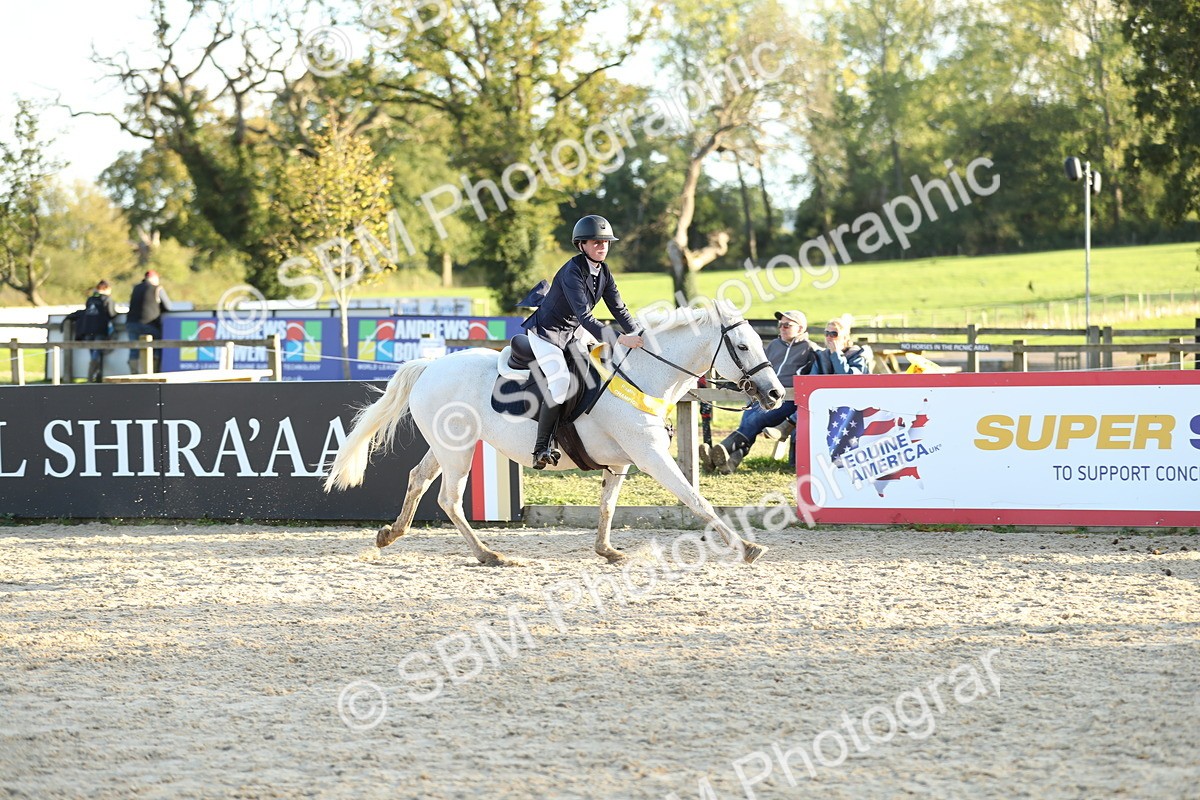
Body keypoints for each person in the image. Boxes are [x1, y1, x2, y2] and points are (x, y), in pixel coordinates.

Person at [520, 215, 644, 469]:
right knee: (561, 382)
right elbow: (586, 318)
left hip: (573, 331)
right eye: (596, 242)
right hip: (548, 333)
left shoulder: (604, 271)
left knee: (604, 364)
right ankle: (541, 447)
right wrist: (620, 338)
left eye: (606, 242)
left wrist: (640, 336)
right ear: (581, 245)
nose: (602, 246)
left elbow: (619, 309)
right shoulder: (572, 271)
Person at [704, 309, 816, 474]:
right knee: (749, 422)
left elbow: (814, 378)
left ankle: (719, 453)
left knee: (753, 422)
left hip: (788, 401)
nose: (782, 328)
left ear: (800, 329)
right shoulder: (773, 345)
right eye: (780, 324)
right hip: (762, 395)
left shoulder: (810, 349)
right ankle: (730, 463)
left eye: (787, 325)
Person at [762, 316, 873, 442]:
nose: (829, 337)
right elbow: (812, 382)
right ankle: (793, 451)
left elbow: (849, 379)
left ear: (845, 337)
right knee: (798, 432)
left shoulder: (857, 355)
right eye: (827, 333)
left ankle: (788, 424)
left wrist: (837, 355)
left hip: (852, 402)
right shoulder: (821, 356)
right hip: (825, 404)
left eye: (834, 334)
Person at [126, 270, 171, 373]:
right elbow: (168, 306)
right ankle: (152, 375)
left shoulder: (135, 288)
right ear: (155, 278)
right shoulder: (157, 288)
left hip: (132, 323)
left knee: (134, 350)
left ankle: (134, 375)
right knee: (154, 348)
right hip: (150, 323)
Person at [78, 280, 118, 382]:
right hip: (100, 330)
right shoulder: (107, 299)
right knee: (96, 354)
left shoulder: (90, 299)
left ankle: (95, 376)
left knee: (93, 353)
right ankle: (91, 377)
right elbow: (111, 314)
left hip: (87, 330)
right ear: (106, 289)